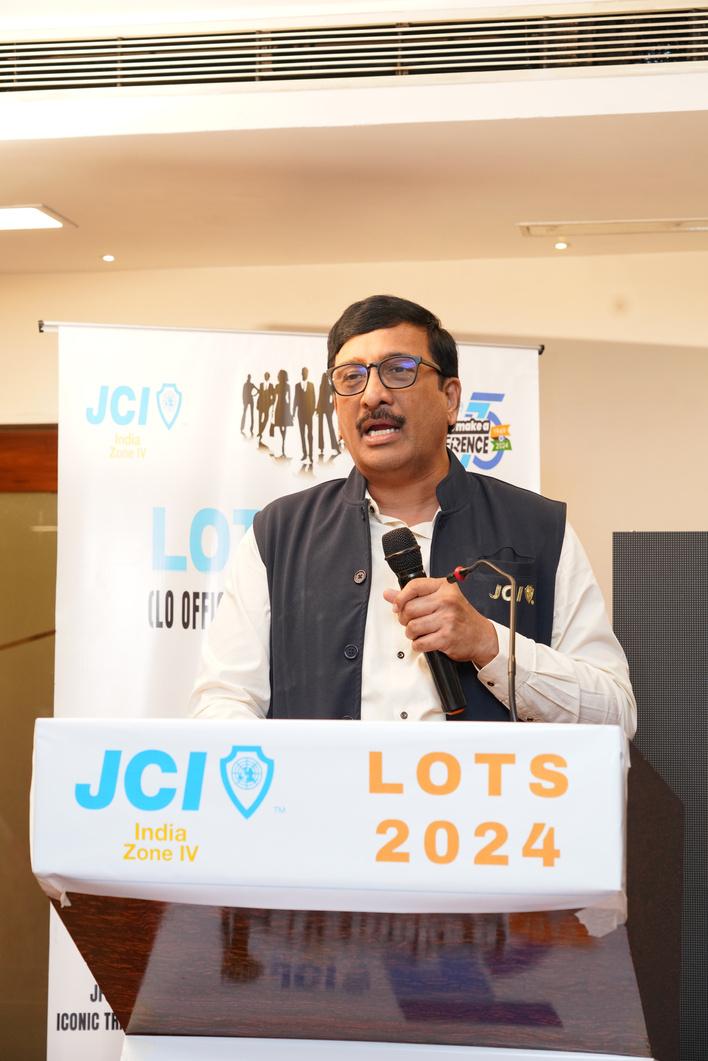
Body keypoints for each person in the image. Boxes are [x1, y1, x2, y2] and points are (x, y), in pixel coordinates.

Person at [190, 295, 636, 736]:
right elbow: (224, 703)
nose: (372, 395)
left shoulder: (538, 529)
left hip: (485, 787)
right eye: (351, 377)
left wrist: (489, 643)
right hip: (324, 786)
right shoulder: (279, 535)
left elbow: (616, 715)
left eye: (399, 370)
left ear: (450, 398)